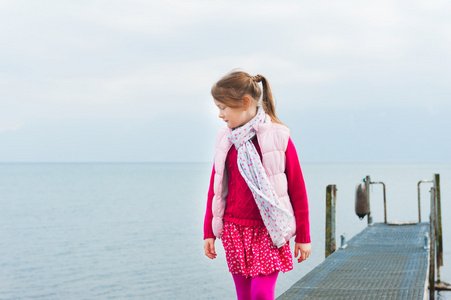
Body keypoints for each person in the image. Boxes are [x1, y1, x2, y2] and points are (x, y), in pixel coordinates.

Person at [203, 70, 311, 300]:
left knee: (261, 293)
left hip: (269, 229)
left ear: (244, 103)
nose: (220, 115)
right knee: (244, 296)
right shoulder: (226, 139)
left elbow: (297, 189)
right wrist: (209, 232)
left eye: (223, 108)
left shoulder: (278, 137)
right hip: (234, 228)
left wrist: (303, 235)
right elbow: (216, 189)